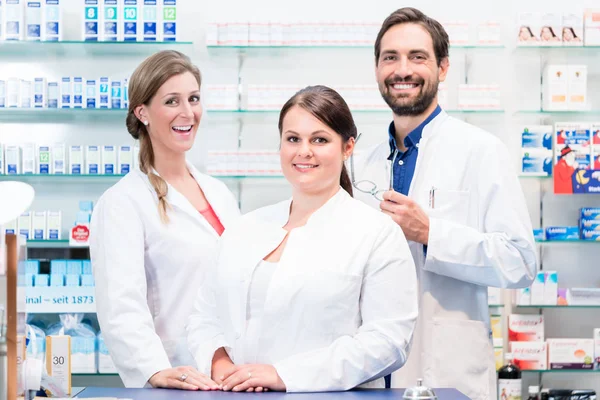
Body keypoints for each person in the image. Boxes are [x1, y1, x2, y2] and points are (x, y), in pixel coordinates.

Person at [352, 7, 537, 400]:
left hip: (448, 372)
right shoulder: (360, 162)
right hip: (367, 376)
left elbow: (520, 262)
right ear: (376, 68)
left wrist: (431, 233)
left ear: (443, 67)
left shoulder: (481, 151)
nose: (403, 70)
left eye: (417, 57)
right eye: (391, 57)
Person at [186, 85, 418, 393]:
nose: (303, 151)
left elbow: (388, 341)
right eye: (292, 139)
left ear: (348, 147)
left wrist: (283, 375)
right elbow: (204, 314)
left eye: (319, 140)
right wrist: (220, 364)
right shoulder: (245, 228)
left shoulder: (375, 233)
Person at [90, 50, 240, 390]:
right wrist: (154, 369)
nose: (188, 113)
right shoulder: (122, 203)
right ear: (142, 112)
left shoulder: (219, 193)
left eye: (194, 98)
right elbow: (120, 305)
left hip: (231, 374)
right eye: (172, 101)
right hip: (178, 377)